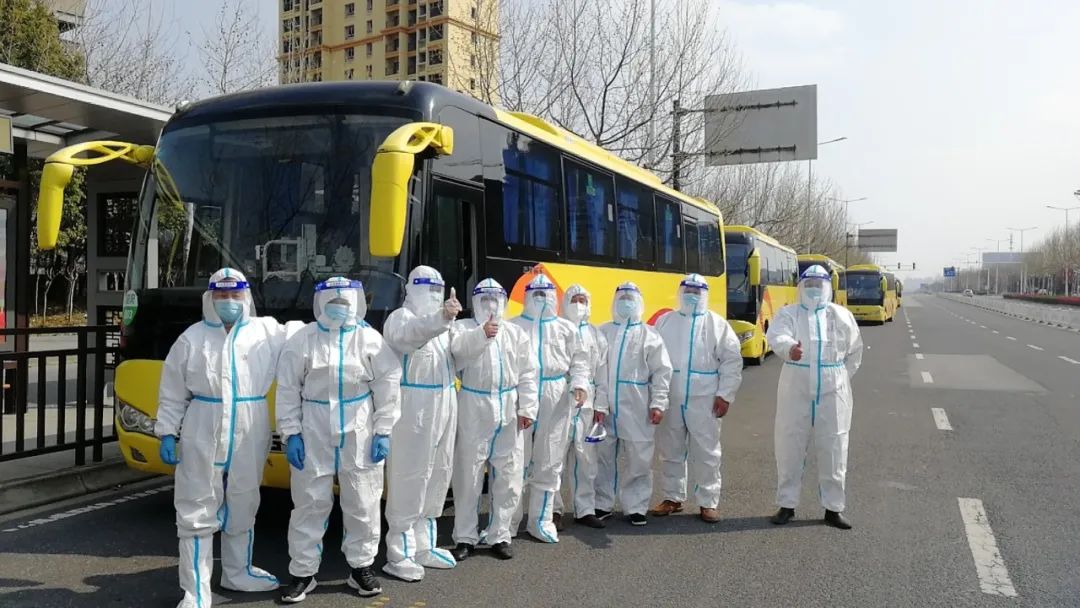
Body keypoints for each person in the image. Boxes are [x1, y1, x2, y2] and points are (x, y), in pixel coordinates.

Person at [156, 268, 288, 608]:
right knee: (196, 506)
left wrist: (345, 319)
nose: (228, 301)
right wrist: (167, 431)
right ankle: (195, 591)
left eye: (234, 294)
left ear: (246, 297)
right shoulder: (192, 338)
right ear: (210, 298)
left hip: (250, 424)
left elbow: (309, 337)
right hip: (203, 424)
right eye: (221, 295)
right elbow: (172, 391)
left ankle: (238, 572)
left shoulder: (267, 332)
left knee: (244, 499)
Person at [275, 277, 402, 603]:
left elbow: (388, 382)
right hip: (313, 426)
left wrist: (383, 430)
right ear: (319, 304)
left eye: (344, 303)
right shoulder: (303, 340)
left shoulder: (369, 339)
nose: (338, 309)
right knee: (308, 502)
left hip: (359, 427)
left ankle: (361, 567)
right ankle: (303, 573)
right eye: (332, 303)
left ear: (356, 303)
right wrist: (291, 433)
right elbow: (287, 389)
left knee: (363, 499)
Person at [766, 264, 863, 530]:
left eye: (818, 286)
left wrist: (838, 378)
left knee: (835, 446)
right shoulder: (789, 313)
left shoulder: (841, 316)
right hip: (795, 384)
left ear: (827, 287)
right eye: (808, 285)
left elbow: (855, 351)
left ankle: (833, 508)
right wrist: (789, 348)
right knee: (789, 444)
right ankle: (787, 504)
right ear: (801, 287)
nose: (813, 290)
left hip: (833, 389)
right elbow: (776, 335)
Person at [381, 266, 462, 581]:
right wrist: (441, 318)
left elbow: (459, 354)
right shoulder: (401, 318)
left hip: (445, 401)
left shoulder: (445, 324)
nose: (434, 295)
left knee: (438, 474)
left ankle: (424, 545)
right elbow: (409, 337)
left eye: (438, 289)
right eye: (428, 289)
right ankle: (399, 552)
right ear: (412, 289)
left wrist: (482, 336)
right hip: (413, 407)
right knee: (410, 476)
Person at [449, 278, 538, 561]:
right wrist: (481, 335)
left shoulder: (515, 333)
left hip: (508, 406)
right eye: (484, 299)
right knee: (468, 475)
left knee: (508, 475)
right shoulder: (462, 328)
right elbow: (457, 354)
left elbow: (528, 372)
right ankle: (465, 536)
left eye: (495, 299)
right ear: (475, 302)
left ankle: (500, 534)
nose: (490, 305)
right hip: (473, 405)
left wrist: (527, 408)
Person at [651, 274, 743, 523]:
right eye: (688, 291)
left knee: (707, 451)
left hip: (705, 398)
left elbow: (732, 361)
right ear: (680, 293)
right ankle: (672, 497)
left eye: (696, 291)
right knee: (670, 449)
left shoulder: (716, 324)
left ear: (705, 294)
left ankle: (708, 501)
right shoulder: (665, 321)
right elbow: (652, 358)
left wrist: (725, 394)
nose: (691, 296)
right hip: (671, 396)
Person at [508, 275, 589, 543]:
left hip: (556, 395)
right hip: (521, 393)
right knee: (515, 460)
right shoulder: (514, 326)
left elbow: (580, 361)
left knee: (550, 459)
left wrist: (579, 384)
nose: (541, 299)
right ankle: (507, 522)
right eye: (536, 294)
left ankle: (541, 520)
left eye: (546, 294)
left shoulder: (566, 328)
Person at [594, 282, 673, 526]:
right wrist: (598, 403)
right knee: (603, 456)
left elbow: (662, 372)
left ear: (639, 303)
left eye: (630, 298)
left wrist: (658, 403)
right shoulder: (603, 331)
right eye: (622, 298)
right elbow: (595, 369)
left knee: (639, 457)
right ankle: (602, 503)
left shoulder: (650, 335)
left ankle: (636, 506)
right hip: (606, 405)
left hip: (638, 404)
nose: (626, 303)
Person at [552, 284, 609, 529]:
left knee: (586, 460)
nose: (578, 305)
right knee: (554, 459)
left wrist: (601, 405)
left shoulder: (597, 335)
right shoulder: (556, 329)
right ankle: (552, 510)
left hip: (587, 404)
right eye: (573, 299)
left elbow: (603, 372)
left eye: (582, 300)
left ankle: (585, 509)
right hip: (559, 401)